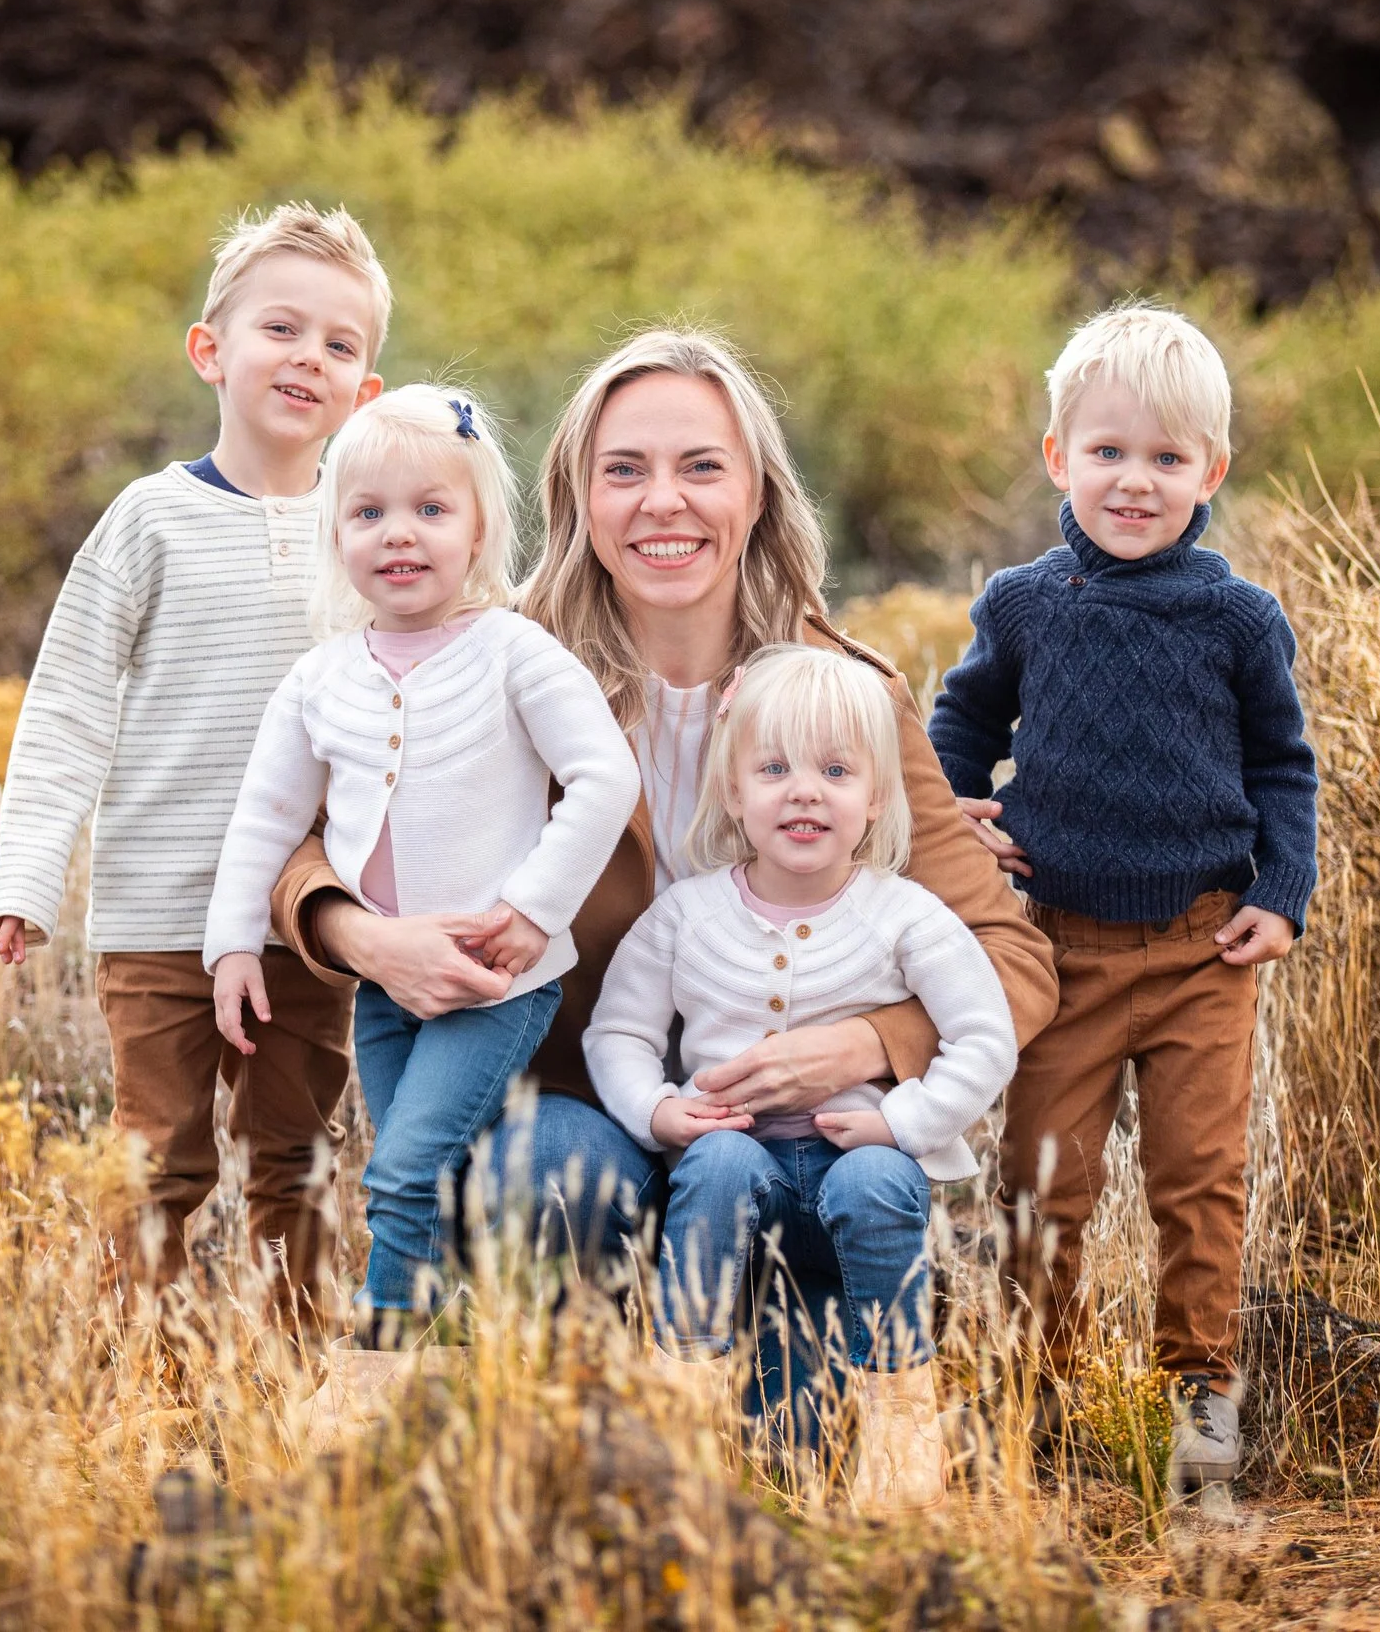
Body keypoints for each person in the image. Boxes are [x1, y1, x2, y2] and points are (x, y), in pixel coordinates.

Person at [262, 327, 1060, 1423]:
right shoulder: (491, 656)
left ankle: (785, 1363)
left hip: (789, 1155)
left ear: (759, 495)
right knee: (539, 1171)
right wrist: (361, 935)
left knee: (789, 1459)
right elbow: (303, 843)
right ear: (576, 498)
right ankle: (576, 1380)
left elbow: (1008, 953)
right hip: (586, 1124)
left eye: (701, 467)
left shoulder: (843, 699)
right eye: (623, 470)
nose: (662, 503)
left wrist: (873, 1044)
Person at [927, 302, 1319, 1494]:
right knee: (1046, 1177)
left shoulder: (1239, 618)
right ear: (1058, 458)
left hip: (1206, 947)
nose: (1134, 482)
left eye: (1165, 458)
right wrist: (957, 819)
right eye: (1107, 452)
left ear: (1211, 471)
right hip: (1059, 950)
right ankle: (1034, 1402)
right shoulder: (1027, 602)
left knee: (1198, 1181)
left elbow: (1280, 764)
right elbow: (961, 719)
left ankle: (1200, 1403)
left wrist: (1283, 886)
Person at [204, 385, 637, 1448]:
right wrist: (229, 943)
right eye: (367, 513)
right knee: (416, 1170)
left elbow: (602, 777)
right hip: (386, 988)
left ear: (479, 528)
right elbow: (266, 812)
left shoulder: (513, 651)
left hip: (495, 980)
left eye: (430, 510)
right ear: (335, 531)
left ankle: (371, 1388)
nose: (398, 533)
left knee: (399, 1169)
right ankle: (451, 1391)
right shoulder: (321, 677)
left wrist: (531, 908)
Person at [0, 204, 389, 1329]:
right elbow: (66, 706)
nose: (309, 356)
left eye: (340, 345)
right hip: (157, 909)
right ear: (211, 350)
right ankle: (135, 1383)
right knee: (157, 1161)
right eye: (282, 328)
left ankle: (290, 1375)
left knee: (296, 1160)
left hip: (305, 914)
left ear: (365, 390)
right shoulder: (147, 520)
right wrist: (25, 874)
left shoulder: (369, 534)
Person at [585, 642, 1017, 1513]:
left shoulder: (903, 914)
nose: (804, 790)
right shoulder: (687, 915)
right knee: (717, 1163)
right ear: (733, 792)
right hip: (736, 1188)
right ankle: (682, 1404)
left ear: (876, 799)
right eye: (774, 768)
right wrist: (662, 1111)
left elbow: (985, 1034)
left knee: (876, 1178)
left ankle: (900, 1425)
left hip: (853, 1190)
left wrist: (906, 1121)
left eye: (834, 769)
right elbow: (619, 1031)